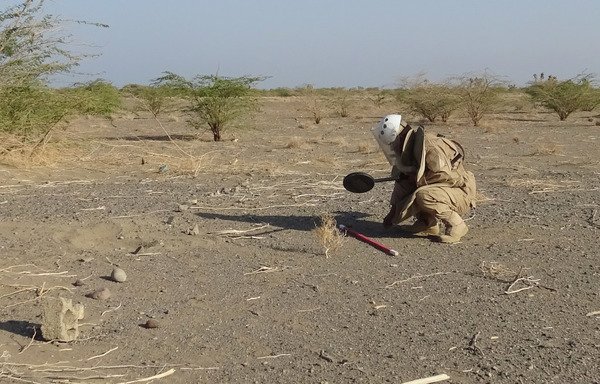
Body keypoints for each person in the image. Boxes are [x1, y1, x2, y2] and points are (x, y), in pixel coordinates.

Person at [372, 114, 477, 243]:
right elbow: (403, 185)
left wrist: (416, 178)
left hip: (459, 192)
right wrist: (393, 213)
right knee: (411, 186)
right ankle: (427, 223)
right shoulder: (411, 152)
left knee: (423, 194)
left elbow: (446, 178)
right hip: (444, 191)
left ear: (400, 137)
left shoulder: (430, 146)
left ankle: (457, 225)